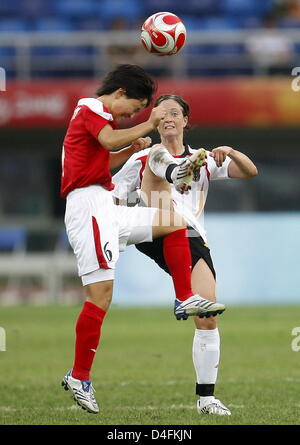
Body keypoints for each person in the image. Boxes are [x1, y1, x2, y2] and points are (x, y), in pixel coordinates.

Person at [59, 66, 226, 414]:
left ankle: (184, 297)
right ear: (120, 93)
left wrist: (130, 146)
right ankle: (79, 376)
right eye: (133, 109)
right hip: (87, 206)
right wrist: (149, 124)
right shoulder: (90, 107)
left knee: (173, 219)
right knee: (101, 296)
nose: (131, 116)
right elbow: (106, 141)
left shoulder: (98, 118)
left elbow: (102, 156)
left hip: (103, 202)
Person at [112, 94, 258, 416]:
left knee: (207, 318)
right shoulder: (142, 156)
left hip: (190, 238)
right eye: (161, 113)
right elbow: (111, 195)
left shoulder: (205, 160)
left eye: (174, 113)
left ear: (185, 121)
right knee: (154, 159)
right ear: (155, 121)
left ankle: (206, 400)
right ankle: (173, 174)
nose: (167, 118)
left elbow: (250, 171)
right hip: (154, 226)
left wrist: (230, 150)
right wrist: (124, 210)